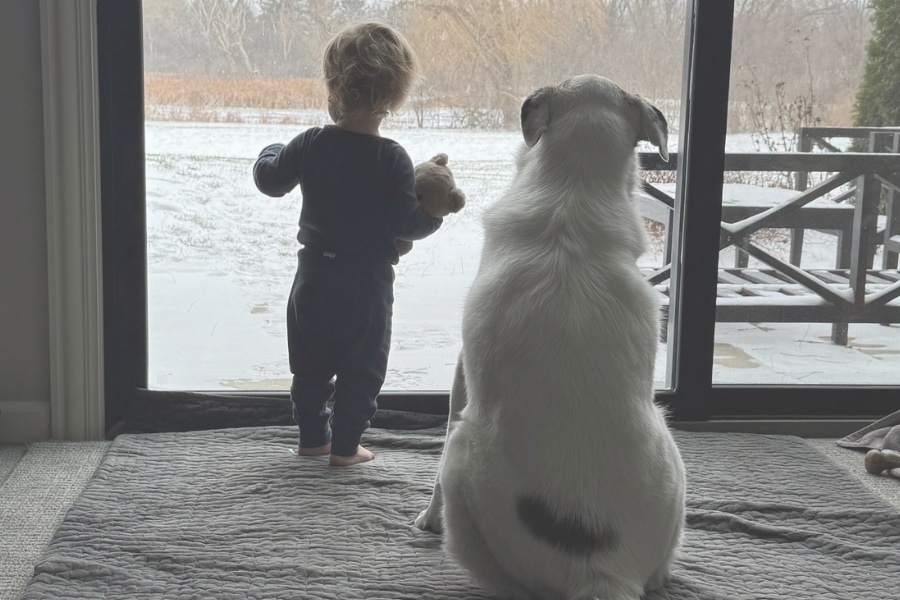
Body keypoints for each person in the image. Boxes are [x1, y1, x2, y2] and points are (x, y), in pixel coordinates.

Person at [253, 22, 442, 466]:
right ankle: (346, 446)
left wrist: (269, 152)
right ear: (396, 96)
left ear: (334, 87)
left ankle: (312, 438)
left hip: (313, 277)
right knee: (362, 367)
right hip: (366, 284)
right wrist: (434, 215)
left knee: (310, 365)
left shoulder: (311, 144)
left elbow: (271, 180)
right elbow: (408, 223)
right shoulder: (392, 157)